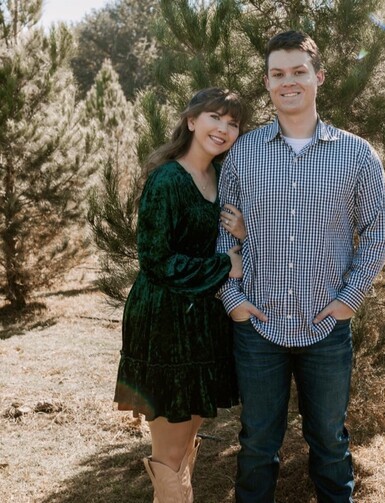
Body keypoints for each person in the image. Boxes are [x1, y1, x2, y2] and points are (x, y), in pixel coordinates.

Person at [216, 31, 385, 502]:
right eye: (278, 73)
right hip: (258, 326)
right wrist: (233, 301)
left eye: (298, 71)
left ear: (319, 77)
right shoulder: (243, 153)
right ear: (267, 82)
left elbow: (378, 232)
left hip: (325, 326)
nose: (288, 81)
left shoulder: (356, 154)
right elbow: (222, 232)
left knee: (330, 443)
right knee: (257, 445)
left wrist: (348, 299)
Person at [113, 87, 248, 503]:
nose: (223, 129)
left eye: (232, 123)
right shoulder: (168, 179)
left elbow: (227, 243)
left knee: (186, 442)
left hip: (202, 323)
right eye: (214, 117)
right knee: (169, 452)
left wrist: (244, 233)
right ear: (191, 121)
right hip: (165, 324)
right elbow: (155, 260)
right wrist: (224, 266)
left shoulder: (222, 177)